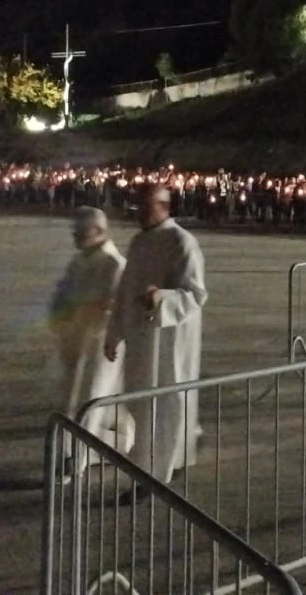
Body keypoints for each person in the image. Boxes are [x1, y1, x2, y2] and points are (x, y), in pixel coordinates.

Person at [103, 183, 208, 487]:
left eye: (146, 207)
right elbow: (125, 290)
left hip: (170, 343)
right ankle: (162, 461)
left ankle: (153, 476)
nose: (139, 213)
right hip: (141, 339)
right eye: (138, 207)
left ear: (164, 206)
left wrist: (161, 297)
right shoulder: (139, 243)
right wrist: (115, 332)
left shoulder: (182, 242)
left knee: (165, 406)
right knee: (142, 405)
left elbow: (195, 294)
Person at [49, 207, 131, 465]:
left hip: (99, 343)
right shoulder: (79, 260)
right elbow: (63, 292)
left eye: (80, 232)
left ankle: (77, 459)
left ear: (98, 231)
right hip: (75, 340)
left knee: (90, 400)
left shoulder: (114, 264)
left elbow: (116, 306)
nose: (75, 237)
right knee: (70, 400)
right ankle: (69, 452)